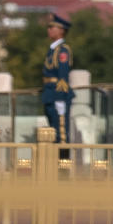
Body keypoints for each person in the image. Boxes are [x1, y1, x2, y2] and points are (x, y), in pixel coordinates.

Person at [41, 14, 74, 150]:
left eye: (52, 27)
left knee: (61, 133)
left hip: (57, 94)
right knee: (53, 131)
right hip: (50, 93)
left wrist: (60, 98)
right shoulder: (53, 49)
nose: (49, 30)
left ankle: (63, 167)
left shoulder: (62, 50)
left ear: (61, 30)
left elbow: (62, 75)